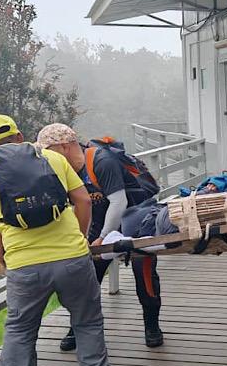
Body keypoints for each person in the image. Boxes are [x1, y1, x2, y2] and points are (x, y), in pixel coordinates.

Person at [0, 115, 119, 366]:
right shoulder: (52, 158)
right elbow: (84, 201)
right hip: (72, 258)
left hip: (25, 267)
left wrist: (10, 262)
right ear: (20, 135)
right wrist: (78, 238)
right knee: (87, 320)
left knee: (20, 328)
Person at [36, 124, 164, 349]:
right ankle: (77, 327)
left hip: (137, 217)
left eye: (48, 150)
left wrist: (104, 237)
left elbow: (119, 201)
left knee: (142, 272)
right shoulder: (64, 169)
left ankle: (152, 325)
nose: (44, 157)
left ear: (64, 147)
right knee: (86, 275)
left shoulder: (102, 161)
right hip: (101, 217)